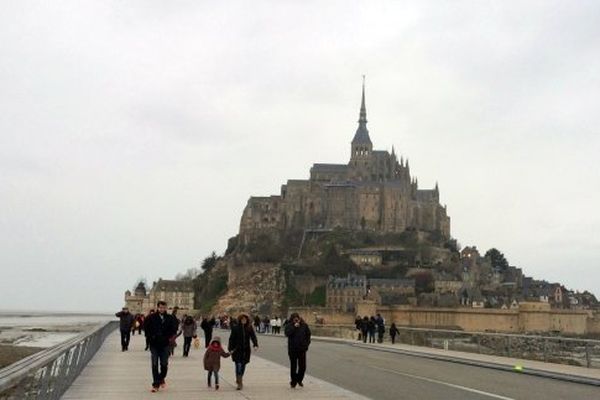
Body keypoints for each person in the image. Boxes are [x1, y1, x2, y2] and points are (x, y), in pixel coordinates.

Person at [144, 301, 179, 392]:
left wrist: (169, 338)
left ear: (166, 308)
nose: (162, 309)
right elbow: (146, 328)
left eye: (164, 308)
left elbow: (174, 329)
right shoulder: (151, 317)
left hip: (165, 344)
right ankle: (155, 384)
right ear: (158, 307)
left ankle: (161, 378)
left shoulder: (170, 318)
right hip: (154, 344)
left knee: (164, 365)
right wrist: (150, 337)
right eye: (160, 308)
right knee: (154, 364)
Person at [228, 313, 258, 390]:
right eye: (242, 319)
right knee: (238, 365)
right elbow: (231, 339)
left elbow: (253, 337)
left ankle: (239, 378)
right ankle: (240, 383)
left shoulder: (249, 328)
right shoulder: (235, 328)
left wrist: (255, 344)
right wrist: (230, 349)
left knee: (243, 365)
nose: (244, 321)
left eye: (245, 319)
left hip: (246, 350)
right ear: (240, 320)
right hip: (237, 350)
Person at [284, 312, 311, 388]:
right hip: (292, 349)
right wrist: (294, 327)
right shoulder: (289, 325)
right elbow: (287, 334)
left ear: (299, 318)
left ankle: (299, 379)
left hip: (302, 349)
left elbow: (308, 335)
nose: (296, 320)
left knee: (303, 367)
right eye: (294, 319)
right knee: (293, 366)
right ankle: (293, 381)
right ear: (292, 319)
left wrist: (306, 344)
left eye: (297, 318)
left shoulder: (304, 325)